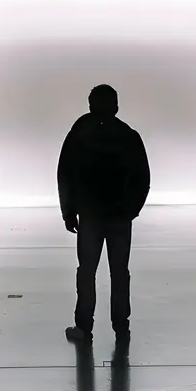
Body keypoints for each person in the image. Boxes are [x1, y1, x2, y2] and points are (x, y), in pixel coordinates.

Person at [57, 85, 150, 347]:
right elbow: (143, 177)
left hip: (90, 216)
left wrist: (68, 211)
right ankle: (121, 326)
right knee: (119, 272)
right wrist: (132, 209)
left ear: (90, 105)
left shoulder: (79, 134)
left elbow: (65, 173)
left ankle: (84, 326)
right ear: (117, 106)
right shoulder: (128, 135)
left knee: (87, 271)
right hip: (120, 216)